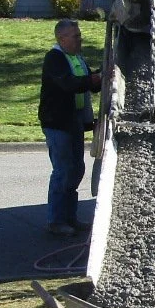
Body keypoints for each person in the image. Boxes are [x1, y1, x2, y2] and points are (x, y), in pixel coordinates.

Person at [39, 18, 103, 236]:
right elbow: (69, 84)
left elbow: (87, 85)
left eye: (79, 35)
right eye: (75, 36)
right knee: (63, 171)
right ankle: (55, 221)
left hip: (74, 122)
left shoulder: (76, 58)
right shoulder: (54, 58)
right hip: (57, 124)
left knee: (76, 170)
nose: (79, 39)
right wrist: (94, 79)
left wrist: (101, 76)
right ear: (62, 38)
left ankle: (70, 218)